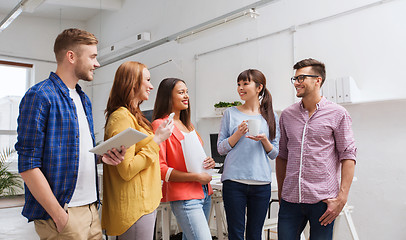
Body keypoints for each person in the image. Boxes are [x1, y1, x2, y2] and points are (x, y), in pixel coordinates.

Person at [15, 28, 126, 240]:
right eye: (92, 56)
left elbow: (76, 152)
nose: (97, 63)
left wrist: (103, 156)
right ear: (71, 56)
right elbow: (28, 164)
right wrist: (58, 214)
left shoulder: (83, 99)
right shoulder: (40, 96)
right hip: (64, 213)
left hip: (92, 209)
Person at [276, 58, 357, 240]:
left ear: (317, 80)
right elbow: (282, 156)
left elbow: (348, 156)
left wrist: (341, 199)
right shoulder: (287, 115)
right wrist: (282, 194)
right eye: (295, 79)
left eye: (301, 78)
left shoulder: (338, 113)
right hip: (291, 199)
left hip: (323, 201)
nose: (296, 83)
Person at [102, 61, 173, 239]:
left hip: (143, 204)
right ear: (132, 83)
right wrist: (157, 140)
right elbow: (127, 169)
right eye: (147, 80)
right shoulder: (121, 117)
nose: (151, 86)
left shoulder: (134, 116)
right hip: (134, 208)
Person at [217, 69, 280, 240]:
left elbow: (274, 153)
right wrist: (237, 135)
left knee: (254, 234)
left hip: (261, 183)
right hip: (233, 182)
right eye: (238, 84)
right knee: (236, 234)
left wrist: (265, 140)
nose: (240, 88)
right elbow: (221, 149)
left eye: (245, 84)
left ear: (259, 87)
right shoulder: (230, 113)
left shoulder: (271, 116)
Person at [152, 78, 215, 240]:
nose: (186, 96)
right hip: (185, 197)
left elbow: (195, 157)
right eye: (181, 92)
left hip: (204, 193)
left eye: (187, 92)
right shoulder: (161, 125)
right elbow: (161, 169)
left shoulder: (188, 125)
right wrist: (196, 176)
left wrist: (209, 162)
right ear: (168, 97)